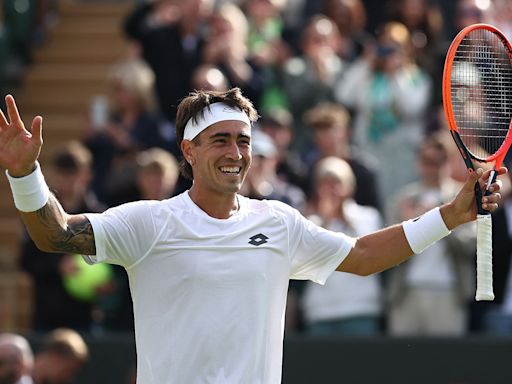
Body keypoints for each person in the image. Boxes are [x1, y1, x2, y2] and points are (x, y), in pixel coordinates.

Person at [0, 88, 505, 383]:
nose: (235, 153)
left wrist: (450, 215)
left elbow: (363, 254)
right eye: (220, 140)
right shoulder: (148, 222)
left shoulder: (278, 222)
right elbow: (57, 235)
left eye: (243, 141)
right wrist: (25, 175)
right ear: (188, 152)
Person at [386, 134, 476, 336]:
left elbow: (470, 244)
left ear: (448, 162)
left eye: (438, 161)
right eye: (427, 162)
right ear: (418, 163)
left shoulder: (461, 197)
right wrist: (409, 227)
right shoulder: (403, 199)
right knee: (404, 362)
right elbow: (386, 251)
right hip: (406, 291)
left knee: (447, 363)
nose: (432, 168)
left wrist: (440, 222)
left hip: (449, 292)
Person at [19, 141, 107, 332]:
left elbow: (115, 263)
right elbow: (26, 260)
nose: (66, 179)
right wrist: (58, 266)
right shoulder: (37, 214)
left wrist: (110, 285)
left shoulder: (100, 215)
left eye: (72, 173)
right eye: (62, 173)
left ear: (86, 175)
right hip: (47, 315)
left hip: (87, 316)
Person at [302, 156, 384, 335]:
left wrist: (342, 215)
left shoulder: (368, 216)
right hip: (320, 312)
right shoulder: (310, 222)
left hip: (360, 310)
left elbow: (369, 249)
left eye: (336, 183)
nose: (332, 190)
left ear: (350, 186)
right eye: (325, 183)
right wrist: (326, 219)